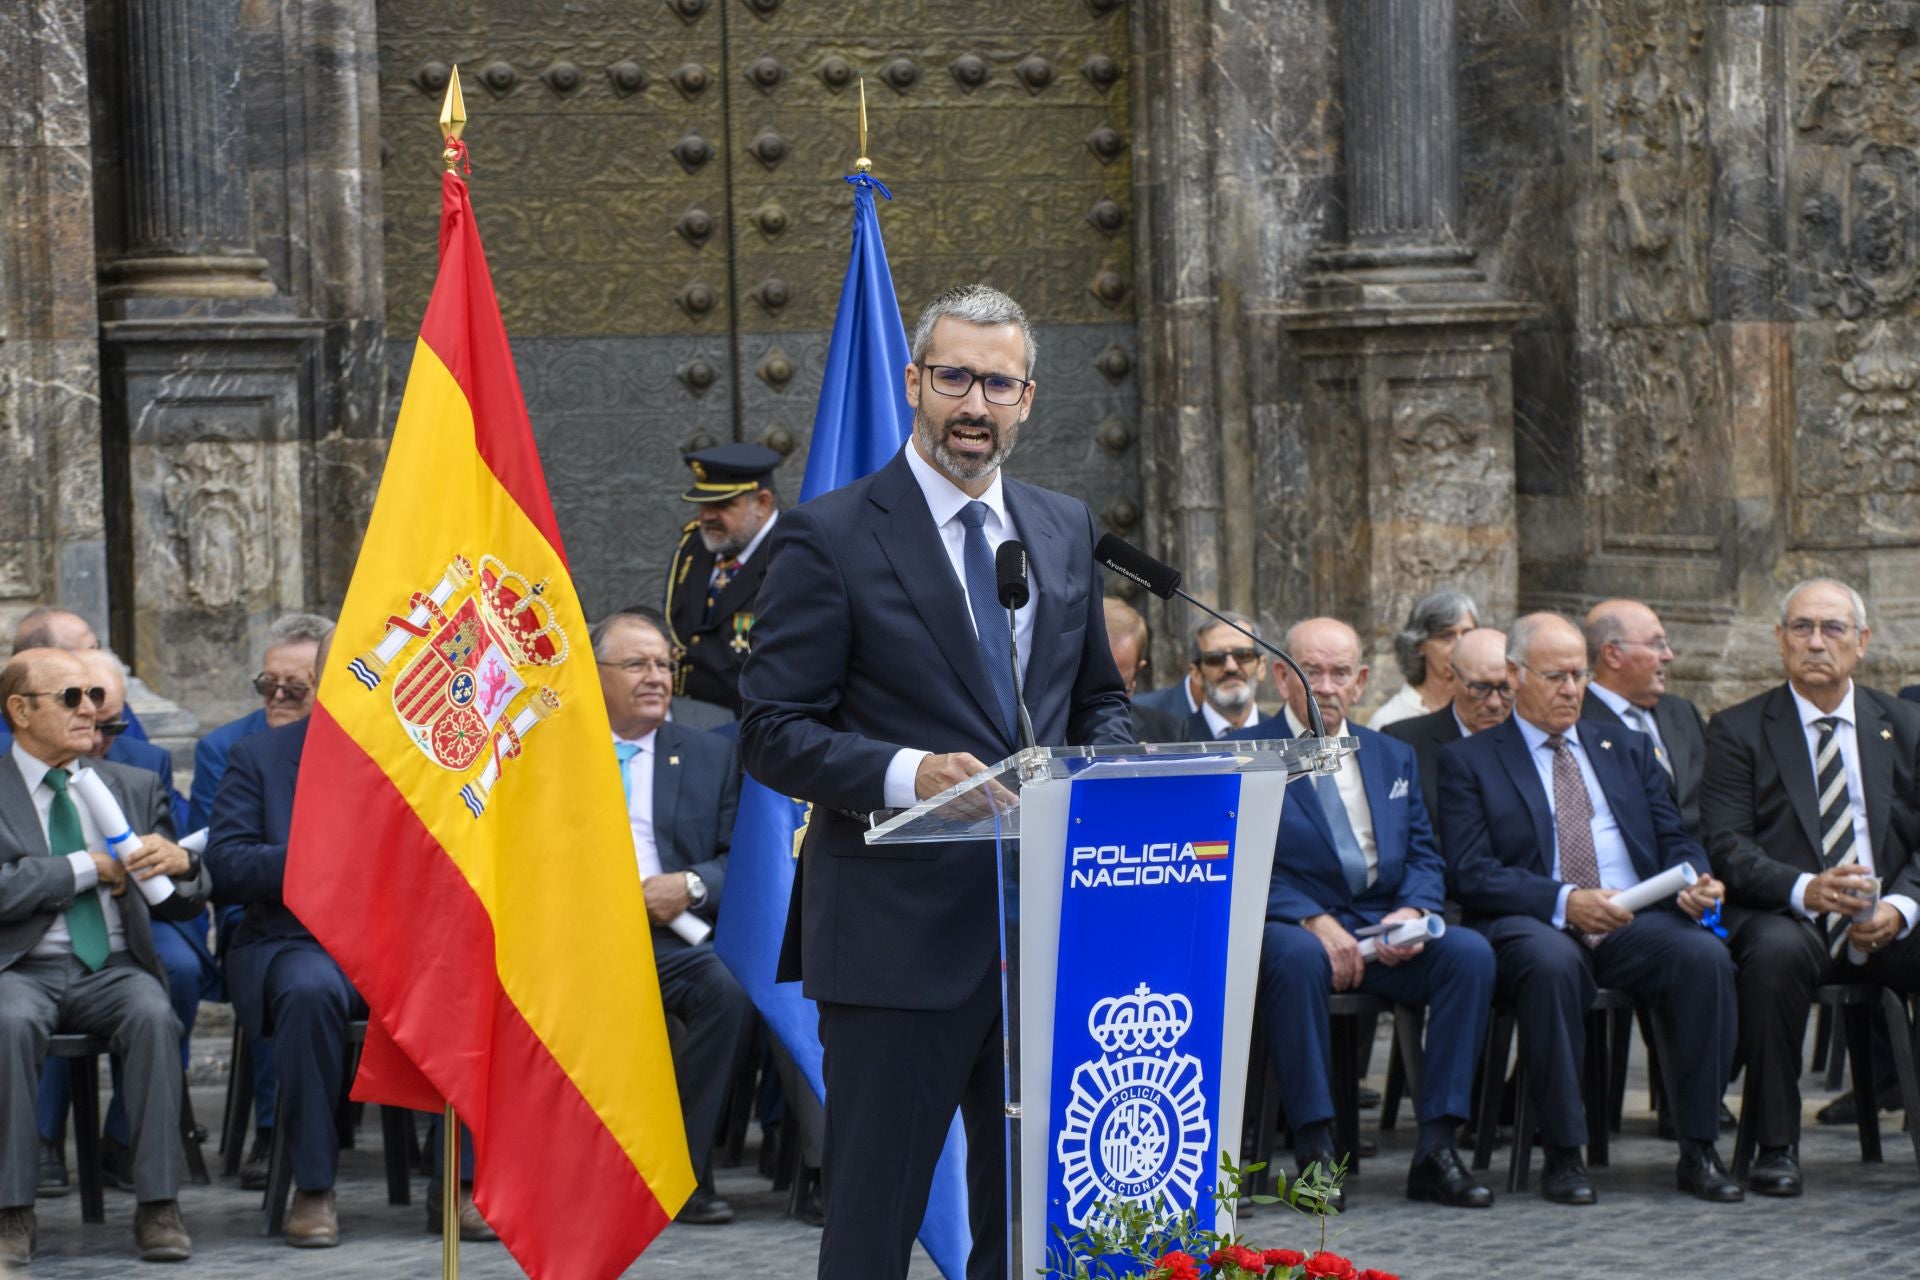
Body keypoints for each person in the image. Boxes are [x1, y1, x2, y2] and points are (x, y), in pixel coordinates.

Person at [738, 283, 1132, 1280]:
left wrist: (1105, 770)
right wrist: (911, 774)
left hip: (1043, 933)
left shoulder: (1064, 526)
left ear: (1029, 398)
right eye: (954, 376)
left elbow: (1099, 704)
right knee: (874, 1227)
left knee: (1031, 1224)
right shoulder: (828, 535)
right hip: (893, 943)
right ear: (914, 382)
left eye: (998, 382)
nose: (975, 402)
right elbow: (774, 731)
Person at [1435, 613, 1741, 1205]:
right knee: (1553, 966)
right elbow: (1470, 873)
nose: (1571, 689)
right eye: (1555, 676)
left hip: (1634, 918)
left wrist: (1693, 876)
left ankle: (1700, 1145)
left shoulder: (1623, 746)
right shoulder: (1471, 760)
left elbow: (1674, 834)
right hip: (1537, 921)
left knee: (1705, 957)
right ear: (1516, 675)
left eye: (1578, 675)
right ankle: (1564, 1153)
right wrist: (1565, 902)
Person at [1237, 619, 1495, 1211]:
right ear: (1283, 676)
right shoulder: (1251, 757)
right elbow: (1238, 862)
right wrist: (1310, 919)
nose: (1325, 686)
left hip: (1383, 927)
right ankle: (1315, 1150)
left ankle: (1436, 1147)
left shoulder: (1391, 755)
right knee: (1294, 959)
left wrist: (1416, 908)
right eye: (1311, 671)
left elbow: (1426, 854)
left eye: (1339, 673)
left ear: (1360, 682)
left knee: (1469, 954)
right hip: (1296, 929)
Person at [1699, 577, 1920, 1197]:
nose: (1816, 642)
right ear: (1779, 640)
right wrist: (1804, 888)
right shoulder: (1739, 730)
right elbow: (1725, 844)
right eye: (1802, 628)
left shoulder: (1904, 726)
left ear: (1862, 642)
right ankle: (1775, 1144)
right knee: (1773, 955)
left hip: (1884, 921)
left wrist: (1901, 910)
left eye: (1832, 629)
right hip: (1784, 912)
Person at [0, 649, 207, 1264]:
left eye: (93, 695)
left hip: (112, 967)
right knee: (6, 1022)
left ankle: (158, 1206)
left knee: (152, 1013)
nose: (90, 709)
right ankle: (12, 1213)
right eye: (70, 697)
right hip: (21, 967)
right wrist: (86, 866)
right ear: (20, 710)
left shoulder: (134, 786)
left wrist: (184, 865)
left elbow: (182, 905)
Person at [594, 608, 753, 1225]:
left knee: (728, 988)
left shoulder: (710, 755)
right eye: (637, 664)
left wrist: (688, 886)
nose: (656, 677)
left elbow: (739, 858)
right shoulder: (555, 754)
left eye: (664, 664)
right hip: (580, 941)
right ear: (596, 674)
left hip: (672, 936)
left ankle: (678, 1173)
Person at [186, 611, 330, 1190]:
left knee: (469, 975)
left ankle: (462, 1176)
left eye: (293, 689)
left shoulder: (405, 754)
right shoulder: (247, 753)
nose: (277, 696)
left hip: (389, 934)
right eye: (266, 685)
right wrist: (317, 859)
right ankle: (306, 1178)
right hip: (282, 926)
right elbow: (225, 863)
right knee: (305, 987)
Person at [663, 444, 785, 717]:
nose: (707, 516)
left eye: (722, 504)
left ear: (762, 503)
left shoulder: (795, 554)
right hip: (688, 722)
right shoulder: (694, 544)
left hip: (755, 723)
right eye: (704, 504)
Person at [1582, 600, 1709, 837]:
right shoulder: (1578, 722)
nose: (1668, 655)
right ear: (1612, 655)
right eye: (1656, 645)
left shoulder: (1682, 713)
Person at [1383, 627, 1510, 824]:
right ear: (1451, 679)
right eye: (1480, 688)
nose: (1494, 702)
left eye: (1505, 688)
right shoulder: (1404, 743)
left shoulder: (1533, 741)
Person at [1368, 590, 1479, 729]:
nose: (1460, 646)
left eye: (1468, 633)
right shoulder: (1390, 720)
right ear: (1420, 645)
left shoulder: (1488, 710)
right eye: (1446, 636)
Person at [1104, 598, 1184, 743]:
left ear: (1137, 671)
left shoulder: (1169, 732)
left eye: (1115, 688)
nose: (1100, 700)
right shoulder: (1052, 729)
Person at [1184, 615, 1268, 740]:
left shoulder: (1288, 738)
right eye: (1215, 658)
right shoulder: (1175, 739)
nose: (1231, 667)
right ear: (1196, 674)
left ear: (1261, 667)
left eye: (1243, 655)